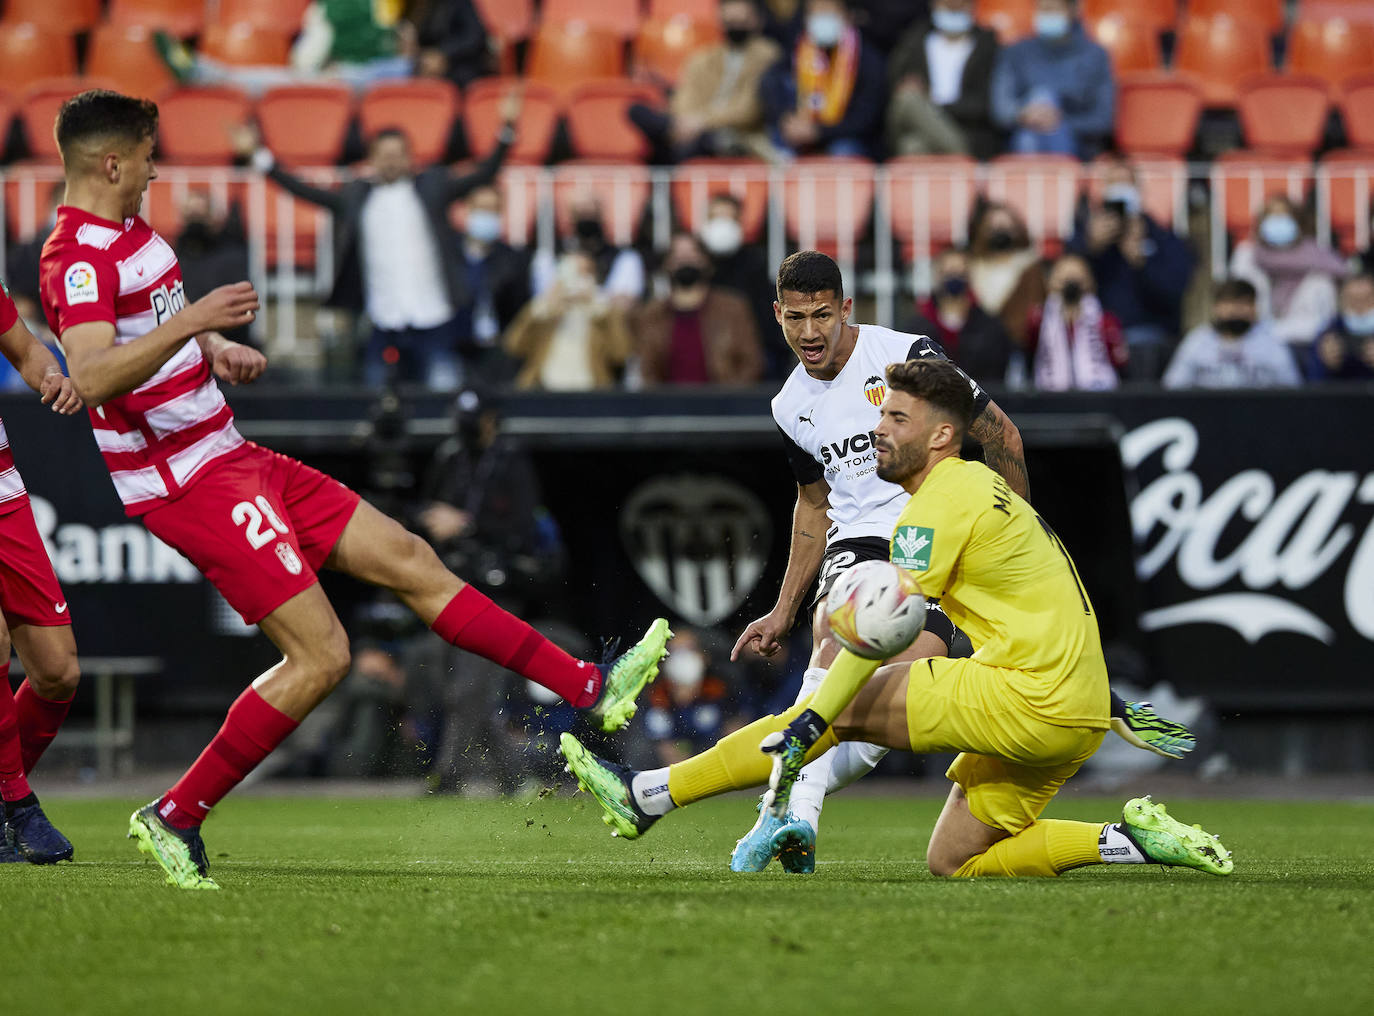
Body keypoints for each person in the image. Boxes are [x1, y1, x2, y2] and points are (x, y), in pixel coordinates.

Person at [39, 89, 673, 890]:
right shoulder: (73, 257)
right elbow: (92, 374)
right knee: (322, 656)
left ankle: (587, 686)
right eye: (148, 156)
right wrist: (189, 321)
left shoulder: (133, 234)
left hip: (228, 450)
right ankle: (175, 814)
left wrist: (210, 344)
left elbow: (149, 333)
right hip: (185, 482)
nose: (156, 169)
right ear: (110, 162)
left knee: (410, 556)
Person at [562, 359, 1233, 882]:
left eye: (899, 420)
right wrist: (1099, 702)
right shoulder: (986, 490)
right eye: (881, 414)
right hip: (1076, 710)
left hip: (1030, 696)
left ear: (943, 435)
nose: (878, 429)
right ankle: (1128, 842)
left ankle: (646, 794)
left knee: (837, 706)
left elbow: (885, 623)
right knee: (954, 861)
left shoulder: (941, 501)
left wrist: (819, 715)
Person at [721, 251, 1193, 873]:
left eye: (824, 315)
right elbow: (814, 504)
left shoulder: (907, 357)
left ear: (847, 309)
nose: (810, 332)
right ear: (776, 315)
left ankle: (755, 807)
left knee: (873, 711)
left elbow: (1002, 436)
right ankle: (786, 823)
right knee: (837, 643)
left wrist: (1010, 542)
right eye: (797, 318)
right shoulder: (789, 406)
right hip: (861, 546)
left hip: (938, 541)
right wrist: (783, 608)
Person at [232, 90, 520, 390]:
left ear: (410, 157)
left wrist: (507, 129)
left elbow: (484, 173)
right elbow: (305, 191)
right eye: (384, 155)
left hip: (434, 317)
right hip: (383, 320)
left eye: (398, 154)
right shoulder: (357, 196)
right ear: (372, 159)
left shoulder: (433, 187)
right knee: (377, 401)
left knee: (442, 400)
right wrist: (259, 158)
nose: (392, 161)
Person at [0, 286, 83, 865]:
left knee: (57, 672)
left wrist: (51, 377)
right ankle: (18, 804)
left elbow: (27, 352)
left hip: (4, 491)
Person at [1069, 157, 1193, 381]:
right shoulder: (1085, 236)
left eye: (1126, 183)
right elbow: (1066, 283)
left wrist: (1141, 263)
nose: (1120, 190)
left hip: (1148, 335)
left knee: (1141, 346)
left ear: (1139, 191)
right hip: (1095, 335)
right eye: (1113, 183)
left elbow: (1174, 293)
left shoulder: (1163, 238)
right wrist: (1090, 248)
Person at [629, 0, 781, 163]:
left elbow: (747, 110)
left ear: (756, 21)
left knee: (694, 145)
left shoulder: (769, 56)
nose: (735, 28)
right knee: (637, 111)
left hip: (731, 133)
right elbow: (685, 97)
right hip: (689, 128)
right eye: (730, 22)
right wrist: (685, 123)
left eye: (741, 22)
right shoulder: (703, 58)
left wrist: (701, 122)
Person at [155, 1, 413, 95]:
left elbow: (305, 62)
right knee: (279, 82)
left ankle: (202, 73)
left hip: (350, 84)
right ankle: (203, 72)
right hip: (346, 79)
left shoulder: (407, 64)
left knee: (277, 83)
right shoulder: (384, 19)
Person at [633, 232, 764, 386]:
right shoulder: (651, 314)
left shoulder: (733, 308)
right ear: (667, 263)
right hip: (668, 407)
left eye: (692, 252)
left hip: (723, 405)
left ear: (706, 261)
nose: (685, 259)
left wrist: (731, 399)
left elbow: (751, 362)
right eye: (678, 254)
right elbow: (646, 370)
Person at [762, 0, 887, 159]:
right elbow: (770, 84)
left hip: (847, 137)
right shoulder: (795, 51)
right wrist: (785, 118)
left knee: (844, 150)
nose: (821, 17)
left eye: (828, 11)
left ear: (847, 16)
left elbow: (867, 118)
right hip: (799, 131)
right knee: (775, 151)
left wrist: (819, 132)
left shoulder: (867, 59)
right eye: (815, 12)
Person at [990, 0, 1114, 159]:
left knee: (1046, 102)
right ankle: (1050, 176)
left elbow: (1103, 119)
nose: (1048, 15)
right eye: (1043, 9)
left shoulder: (1096, 55)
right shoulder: (1015, 52)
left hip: (1079, 146)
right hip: (1021, 137)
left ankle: (1039, 177)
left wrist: (1060, 120)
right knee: (1040, 99)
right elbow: (1001, 111)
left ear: (1073, 11)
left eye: (1054, 9)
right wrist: (1025, 115)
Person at [885, 0, 1002, 159]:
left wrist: (932, 107)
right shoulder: (914, 41)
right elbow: (894, 80)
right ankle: (963, 165)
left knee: (909, 102)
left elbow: (989, 104)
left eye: (959, 6)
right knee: (912, 145)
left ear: (973, 6)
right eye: (948, 6)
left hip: (969, 132)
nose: (953, 11)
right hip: (920, 126)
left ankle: (965, 158)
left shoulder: (989, 46)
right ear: (934, 5)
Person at [1230, 195, 1349, 349]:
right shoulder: (1247, 255)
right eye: (1272, 216)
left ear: (1297, 222)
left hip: (1306, 343)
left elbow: (1344, 273)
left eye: (1284, 215)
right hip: (1254, 341)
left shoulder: (1318, 257)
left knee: (1320, 282)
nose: (1278, 221)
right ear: (1261, 223)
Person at [504, 252, 635, 391]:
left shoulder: (603, 315)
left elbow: (621, 354)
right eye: (571, 272)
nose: (576, 279)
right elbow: (513, 346)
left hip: (590, 393)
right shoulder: (545, 313)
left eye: (584, 272)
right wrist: (543, 307)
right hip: (545, 392)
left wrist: (600, 310)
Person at [1162, 278, 1302, 390]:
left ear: (1254, 308)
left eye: (1244, 304)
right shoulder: (1197, 340)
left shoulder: (1272, 341)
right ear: (1216, 307)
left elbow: (1291, 389)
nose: (1237, 310)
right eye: (1230, 303)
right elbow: (1174, 387)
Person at [452, 185, 530, 384]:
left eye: (493, 210)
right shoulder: (450, 255)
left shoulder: (513, 259)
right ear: (468, 209)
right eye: (482, 209)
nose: (487, 216)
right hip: (453, 347)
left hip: (497, 349)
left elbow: (520, 309)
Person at [698, 193, 782, 376]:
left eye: (727, 218)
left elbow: (767, 326)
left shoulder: (754, 264)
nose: (721, 225)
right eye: (715, 217)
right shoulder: (695, 263)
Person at [905, 246, 1013, 384]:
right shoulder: (917, 328)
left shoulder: (990, 328)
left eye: (961, 273)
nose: (955, 277)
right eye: (949, 272)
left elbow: (996, 375)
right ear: (938, 275)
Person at [1025, 253, 1126, 391]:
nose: (1070, 282)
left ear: (1088, 281)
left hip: (1098, 394)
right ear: (1051, 282)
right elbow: (1028, 351)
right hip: (1049, 395)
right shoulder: (1039, 319)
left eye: (1076, 276)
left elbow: (1119, 361)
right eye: (1064, 277)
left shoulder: (1105, 320)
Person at [643, 628, 743, 766]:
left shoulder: (721, 690)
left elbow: (737, 733)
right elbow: (664, 749)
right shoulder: (656, 696)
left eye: (689, 649)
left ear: (704, 656)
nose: (683, 657)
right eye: (676, 651)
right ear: (664, 660)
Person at [529, 193, 645, 308]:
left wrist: (590, 294)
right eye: (581, 213)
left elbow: (624, 302)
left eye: (591, 213)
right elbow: (545, 301)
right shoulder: (549, 256)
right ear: (571, 217)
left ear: (601, 215)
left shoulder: (625, 257)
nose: (586, 219)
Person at [176, 191, 253, 347]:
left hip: (224, 343)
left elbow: (237, 311)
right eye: (190, 215)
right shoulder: (172, 257)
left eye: (200, 214)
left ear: (214, 217)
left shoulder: (233, 257)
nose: (195, 221)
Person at [967, 201, 1045, 342]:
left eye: (1005, 226)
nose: (1000, 231)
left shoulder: (1029, 267)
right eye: (994, 227)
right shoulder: (973, 267)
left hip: (1016, 342)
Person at [402, 0, 492, 88]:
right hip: (423, 66)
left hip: (461, 67)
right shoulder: (416, 6)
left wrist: (443, 54)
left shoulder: (459, 3)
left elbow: (475, 36)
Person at [1307, 273, 1374, 381]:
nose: (1360, 309)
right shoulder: (1328, 333)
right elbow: (1312, 383)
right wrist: (1325, 365)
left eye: (1367, 300)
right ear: (1341, 302)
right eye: (1353, 301)